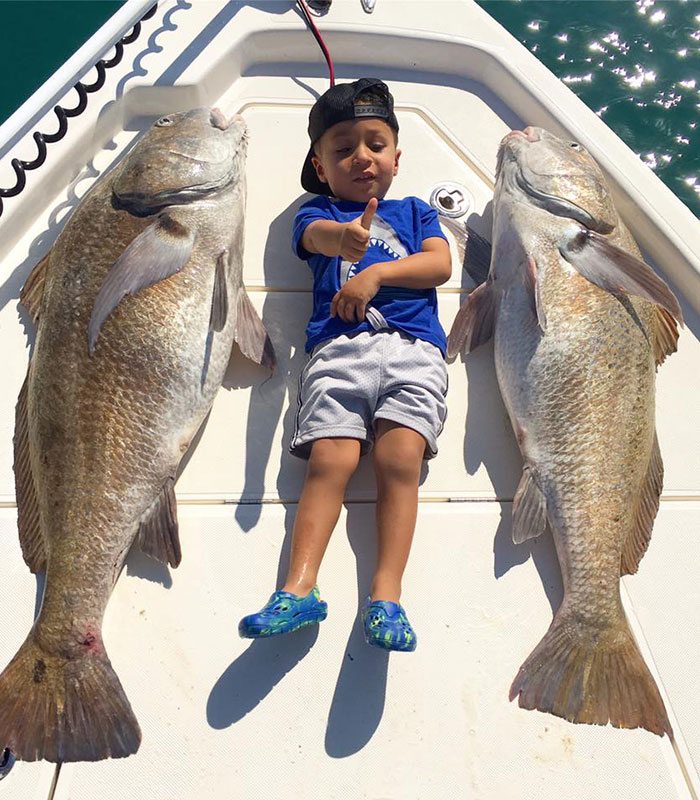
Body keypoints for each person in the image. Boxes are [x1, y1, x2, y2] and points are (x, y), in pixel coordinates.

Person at [238, 78, 451, 652]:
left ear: (397, 157)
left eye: (376, 144)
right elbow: (315, 236)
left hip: (412, 350)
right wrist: (344, 240)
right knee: (331, 459)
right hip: (339, 352)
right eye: (342, 149)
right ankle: (298, 588)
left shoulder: (415, 212)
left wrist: (377, 272)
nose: (362, 157)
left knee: (399, 458)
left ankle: (386, 596)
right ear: (320, 164)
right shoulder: (318, 211)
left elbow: (439, 266)